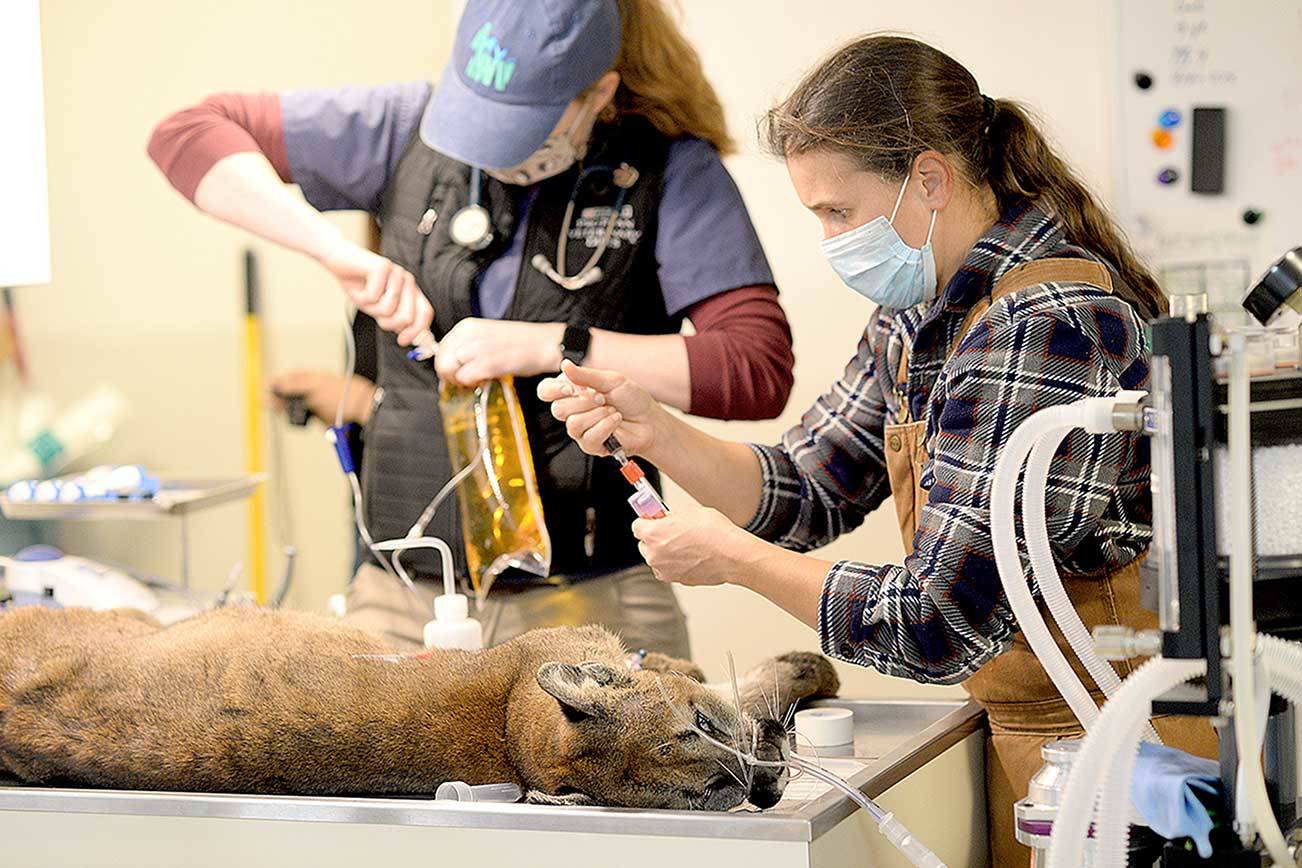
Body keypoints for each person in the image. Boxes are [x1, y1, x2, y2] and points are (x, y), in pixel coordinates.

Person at [541, 34, 1215, 866]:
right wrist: (659, 431)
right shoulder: (915, 313)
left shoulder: (1044, 325)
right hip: (1041, 741)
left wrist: (734, 561)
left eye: (838, 212)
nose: (829, 240)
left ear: (928, 179)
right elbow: (806, 489)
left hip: (1136, 745)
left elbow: (937, 621)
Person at [147, 0, 795, 660]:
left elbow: (756, 369)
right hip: (398, 599)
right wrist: (332, 252)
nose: (493, 157)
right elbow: (186, 134)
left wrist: (554, 343)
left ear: (599, 93)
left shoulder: (667, 172)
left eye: (522, 131)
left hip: (592, 604)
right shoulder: (404, 127)